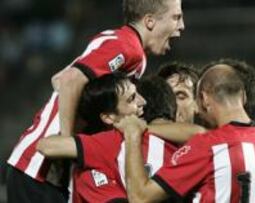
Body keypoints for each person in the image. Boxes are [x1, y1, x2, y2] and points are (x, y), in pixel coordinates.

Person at [6, 0, 185, 201]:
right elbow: (68, 80)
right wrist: (67, 144)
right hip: (40, 170)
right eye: (176, 17)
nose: (181, 26)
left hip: (39, 170)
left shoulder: (121, 42)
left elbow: (58, 78)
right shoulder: (127, 47)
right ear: (150, 21)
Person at [115, 59, 255, 203]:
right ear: (244, 96)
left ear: (204, 99)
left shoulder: (208, 145)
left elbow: (140, 197)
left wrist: (132, 135)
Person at [36, 74, 184, 202]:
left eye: (137, 93)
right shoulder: (107, 144)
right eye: (131, 99)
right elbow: (46, 146)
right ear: (109, 117)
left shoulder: (160, 137)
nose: (143, 101)